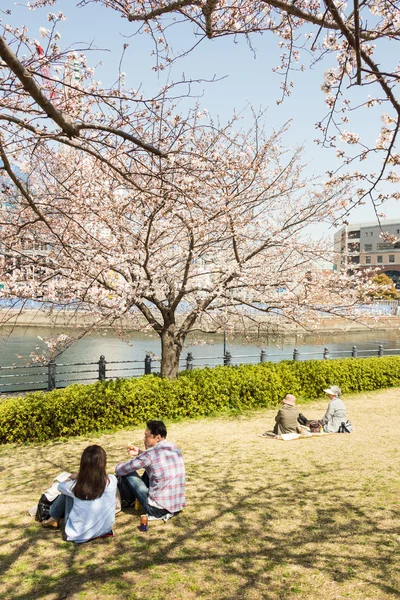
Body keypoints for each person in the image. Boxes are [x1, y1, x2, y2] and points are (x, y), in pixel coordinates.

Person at [42, 445, 117, 543]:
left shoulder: (76, 486)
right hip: (104, 530)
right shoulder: (112, 481)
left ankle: (53, 517)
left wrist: (72, 477)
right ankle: (53, 518)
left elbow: (60, 486)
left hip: (78, 533)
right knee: (71, 493)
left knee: (67, 493)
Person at [116, 420, 186, 521]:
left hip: (157, 510)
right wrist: (140, 452)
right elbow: (156, 460)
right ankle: (133, 500)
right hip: (176, 506)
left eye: (146, 436)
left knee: (128, 472)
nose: (143, 439)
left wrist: (120, 464)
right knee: (150, 470)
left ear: (157, 437)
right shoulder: (174, 448)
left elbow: (121, 470)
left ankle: (129, 500)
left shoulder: (150, 454)